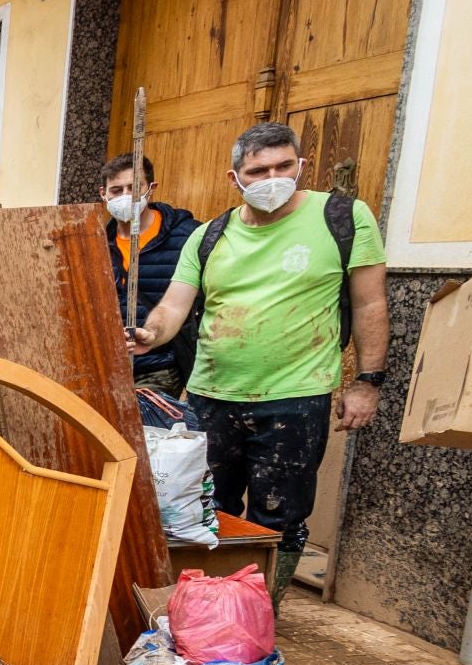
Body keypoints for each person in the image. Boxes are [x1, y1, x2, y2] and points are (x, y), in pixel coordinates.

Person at [130, 122, 389, 604]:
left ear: (301, 166)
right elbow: (174, 305)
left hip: (295, 397)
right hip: (210, 395)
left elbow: (371, 304)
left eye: (283, 166)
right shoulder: (210, 236)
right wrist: (151, 333)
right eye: (258, 170)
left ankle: (261, 613)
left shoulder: (344, 219)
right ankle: (206, 609)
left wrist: (366, 382)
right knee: (206, 511)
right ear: (235, 178)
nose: (273, 177)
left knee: (281, 516)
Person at [100, 152, 199, 396]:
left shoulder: (188, 236)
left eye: (134, 188)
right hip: (110, 366)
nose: (126, 196)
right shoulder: (98, 242)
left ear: (150, 189)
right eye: (116, 190)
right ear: (104, 195)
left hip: (161, 365)